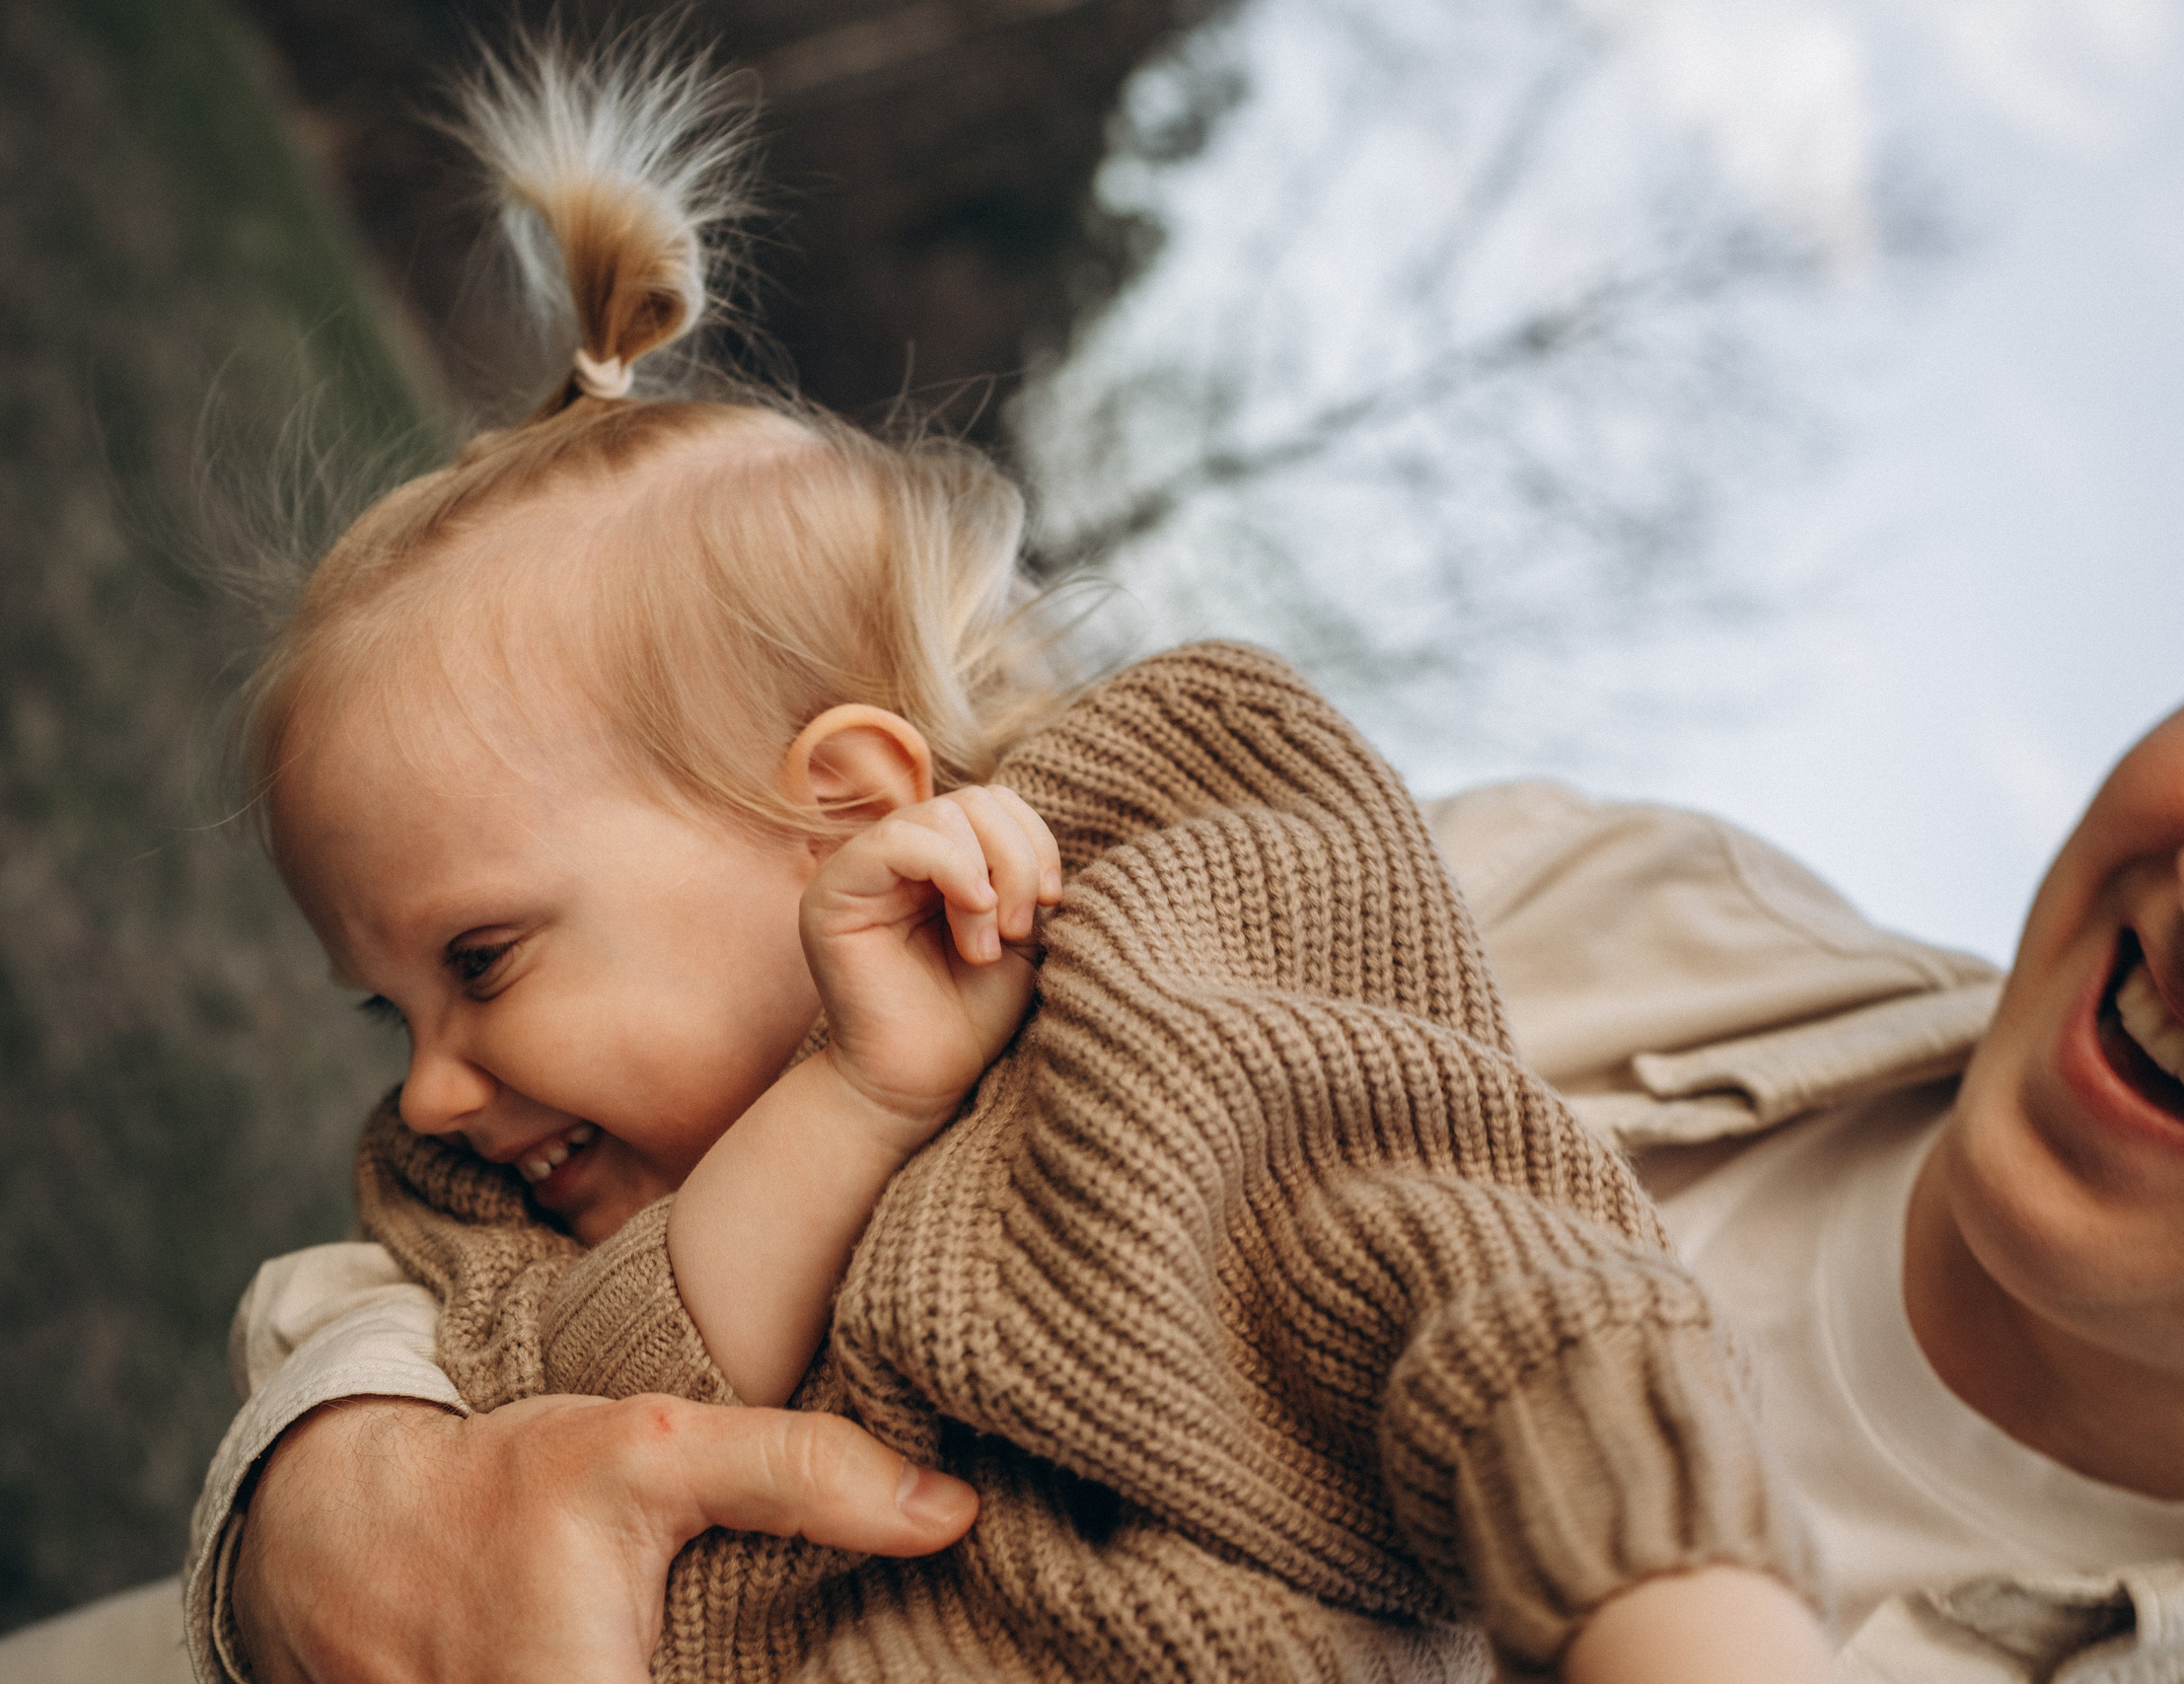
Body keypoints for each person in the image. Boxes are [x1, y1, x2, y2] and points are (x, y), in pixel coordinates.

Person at [177, 30, 1828, 1684]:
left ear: (846, 810)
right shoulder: (508, 1208)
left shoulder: (1177, 942)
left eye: (478, 965)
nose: (434, 1093)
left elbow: (1496, 1296)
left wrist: (1687, 1628)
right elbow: (577, 1409)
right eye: (390, 1013)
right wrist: (856, 1101)